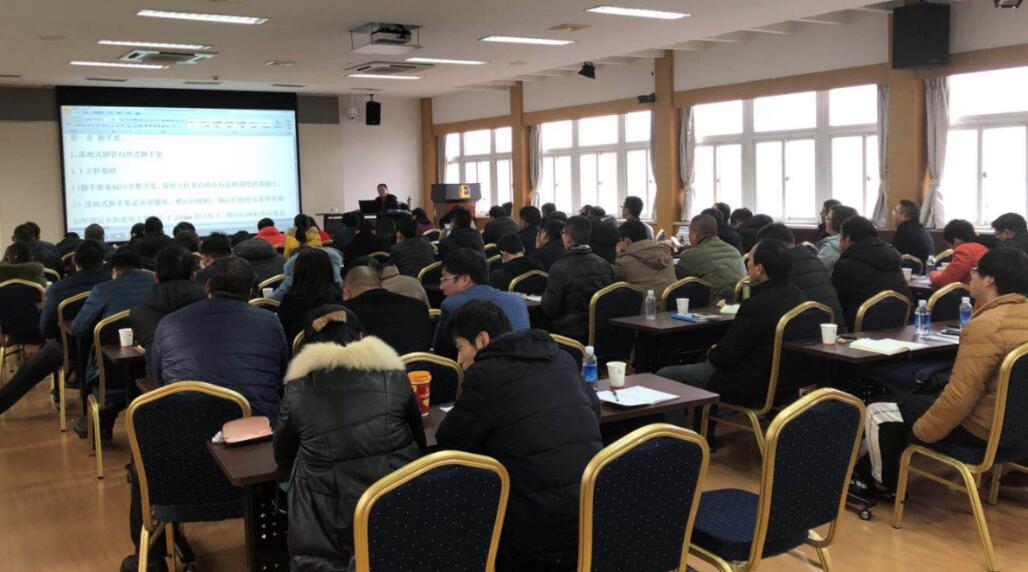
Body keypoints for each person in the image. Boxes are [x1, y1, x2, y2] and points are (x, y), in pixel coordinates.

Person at [435, 300, 602, 571]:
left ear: (482, 340)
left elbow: (451, 440)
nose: (459, 360)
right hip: (590, 517)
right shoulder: (562, 359)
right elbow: (595, 412)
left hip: (533, 537)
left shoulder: (486, 374)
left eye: (460, 348)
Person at [862, 248, 1028, 491]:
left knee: (878, 409)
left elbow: (961, 398)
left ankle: (882, 487)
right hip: (1020, 429)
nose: (971, 276)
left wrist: (922, 433)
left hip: (983, 430)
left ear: (990, 280)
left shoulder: (987, 325)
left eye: (975, 271)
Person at [274, 305, 424, 572]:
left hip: (327, 520)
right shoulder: (395, 376)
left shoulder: (298, 389)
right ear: (362, 337)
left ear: (307, 347)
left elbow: (282, 455)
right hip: (398, 504)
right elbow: (419, 439)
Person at [657, 240, 806, 405]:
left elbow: (726, 356)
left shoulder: (756, 305)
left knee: (665, 375)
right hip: (788, 382)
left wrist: (712, 351)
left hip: (749, 382)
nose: (747, 264)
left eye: (750, 260)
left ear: (759, 268)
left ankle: (682, 423)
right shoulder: (799, 297)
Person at [151, 257, 289, 420]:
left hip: (186, 423)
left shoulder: (169, 322)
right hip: (255, 423)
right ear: (251, 292)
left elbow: (160, 379)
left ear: (207, 287)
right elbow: (282, 376)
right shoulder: (270, 322)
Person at [0, 240, 110, 414]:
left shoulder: (58, 289)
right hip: (108, 347)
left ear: (75, 262)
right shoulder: (112, 284)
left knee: (28, 370)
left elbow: (46, 330)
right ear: (103, 261)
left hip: (68, 347)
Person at [70, 251, 154, 437]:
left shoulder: (103, 289)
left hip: (110, 373)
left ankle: (98, 419)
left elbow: (78, 329)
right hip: (151, 367)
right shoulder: (156, 284)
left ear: (114, 270)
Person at [433, 248, 530, 358]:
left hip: (485, 367)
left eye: (445, 279)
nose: (441, 287)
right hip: (527, 365)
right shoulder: (517, 300)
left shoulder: (452, 305)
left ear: (465, 280)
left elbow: (441, 355)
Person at [757, 223, 846, 331]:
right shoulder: (813, 258)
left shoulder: (779, 265)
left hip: (808, 334)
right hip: (835, 329)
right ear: (793, 240)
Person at [541, 216, 615, 343]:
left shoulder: (560, 267)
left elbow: (550, 308)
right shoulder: (605, 264)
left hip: (569, 335)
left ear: (568, 239)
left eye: (563, 233)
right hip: (601, 332)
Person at [832, 216, 913, 330]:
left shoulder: (845, 265)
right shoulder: (892, 257)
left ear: (848, 238)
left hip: (860, 328)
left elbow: (837, 301)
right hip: (899, 325)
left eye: (841, 237)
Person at [342, 266, 432, 355]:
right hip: (418, 363)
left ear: (346, 293)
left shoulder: (345, 314)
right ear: (379, 285)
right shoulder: (418, 307)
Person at [130, 247, 203, 352]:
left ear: (155, 276)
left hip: (162, 362)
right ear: (193, 275)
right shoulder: (209, 300)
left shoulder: (139, 312)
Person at [277, 248, 344, 343]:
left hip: (301, 350)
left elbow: (281, 334)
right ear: (330, 269)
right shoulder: (341, 297)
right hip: (337, 349)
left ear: (298, 271)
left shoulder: (290, 301)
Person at [676, 213, 746, 302]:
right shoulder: (734, 250)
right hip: (740, 302)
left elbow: (678, 283)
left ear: (694, 235)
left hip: (711, 305)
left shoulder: (690, 256)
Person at [614, 219, 676, 296]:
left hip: (644, 303)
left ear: (627, 241)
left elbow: (616, 287)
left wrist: (619, 257)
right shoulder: (666, 253)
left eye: (620, 241)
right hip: (672, 301)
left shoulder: (623, 263)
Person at [930, 219, 990, 288]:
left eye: (951, 246)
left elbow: (944, 281)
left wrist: (933, 274)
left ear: (956, 242)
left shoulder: (965, 250)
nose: (953, 250)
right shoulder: (982, 246)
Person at [891, 200, 935, 265]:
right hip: (927, 268)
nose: (893, 214)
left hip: (913, 270)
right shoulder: (922, 229)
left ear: (905, 216)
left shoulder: (904, 232)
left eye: (895, 211)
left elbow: (894, 257)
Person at [817, 205, 858, 274]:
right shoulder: (855, 240)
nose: (825, 221)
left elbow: (812, 268)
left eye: (828, 218)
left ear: (838, 222)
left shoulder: (831, 248)